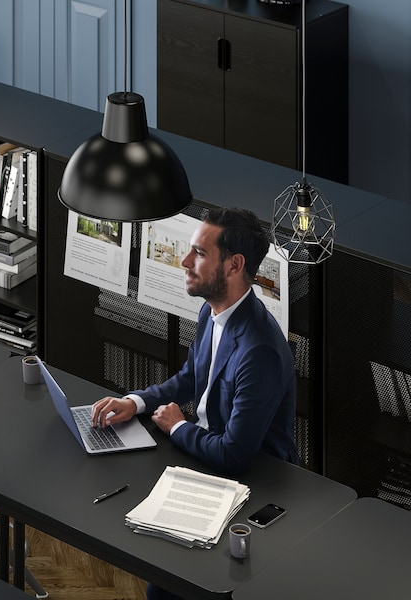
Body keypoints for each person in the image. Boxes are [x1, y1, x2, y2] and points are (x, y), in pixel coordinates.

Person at [92, 207, 298, 600]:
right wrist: (135, 402)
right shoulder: (212, 310)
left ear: (235, 265)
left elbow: (237, 454)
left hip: (253, 482)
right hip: (205, 459)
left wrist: (177, 427)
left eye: (199, 254)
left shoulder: (260, 350)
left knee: (163, 589)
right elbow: (189, 379)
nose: (184, 262)